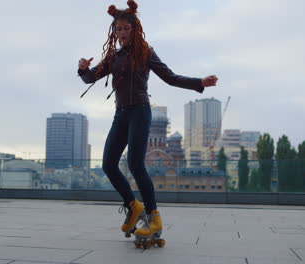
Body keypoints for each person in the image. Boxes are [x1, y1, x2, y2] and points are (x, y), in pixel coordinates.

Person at [77, 0, 218, 239]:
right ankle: (134, 207)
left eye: (126, 28)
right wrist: (82, 69)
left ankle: (154, 218)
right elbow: (90, 78)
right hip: (120, 113)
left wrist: (198, 83)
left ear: (135, 28)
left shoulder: (146, 52)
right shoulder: (114, 56)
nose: (122, 33)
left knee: (135, 165)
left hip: (140, 112)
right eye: (118, 29)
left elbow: (170, 77)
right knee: (108, 165)